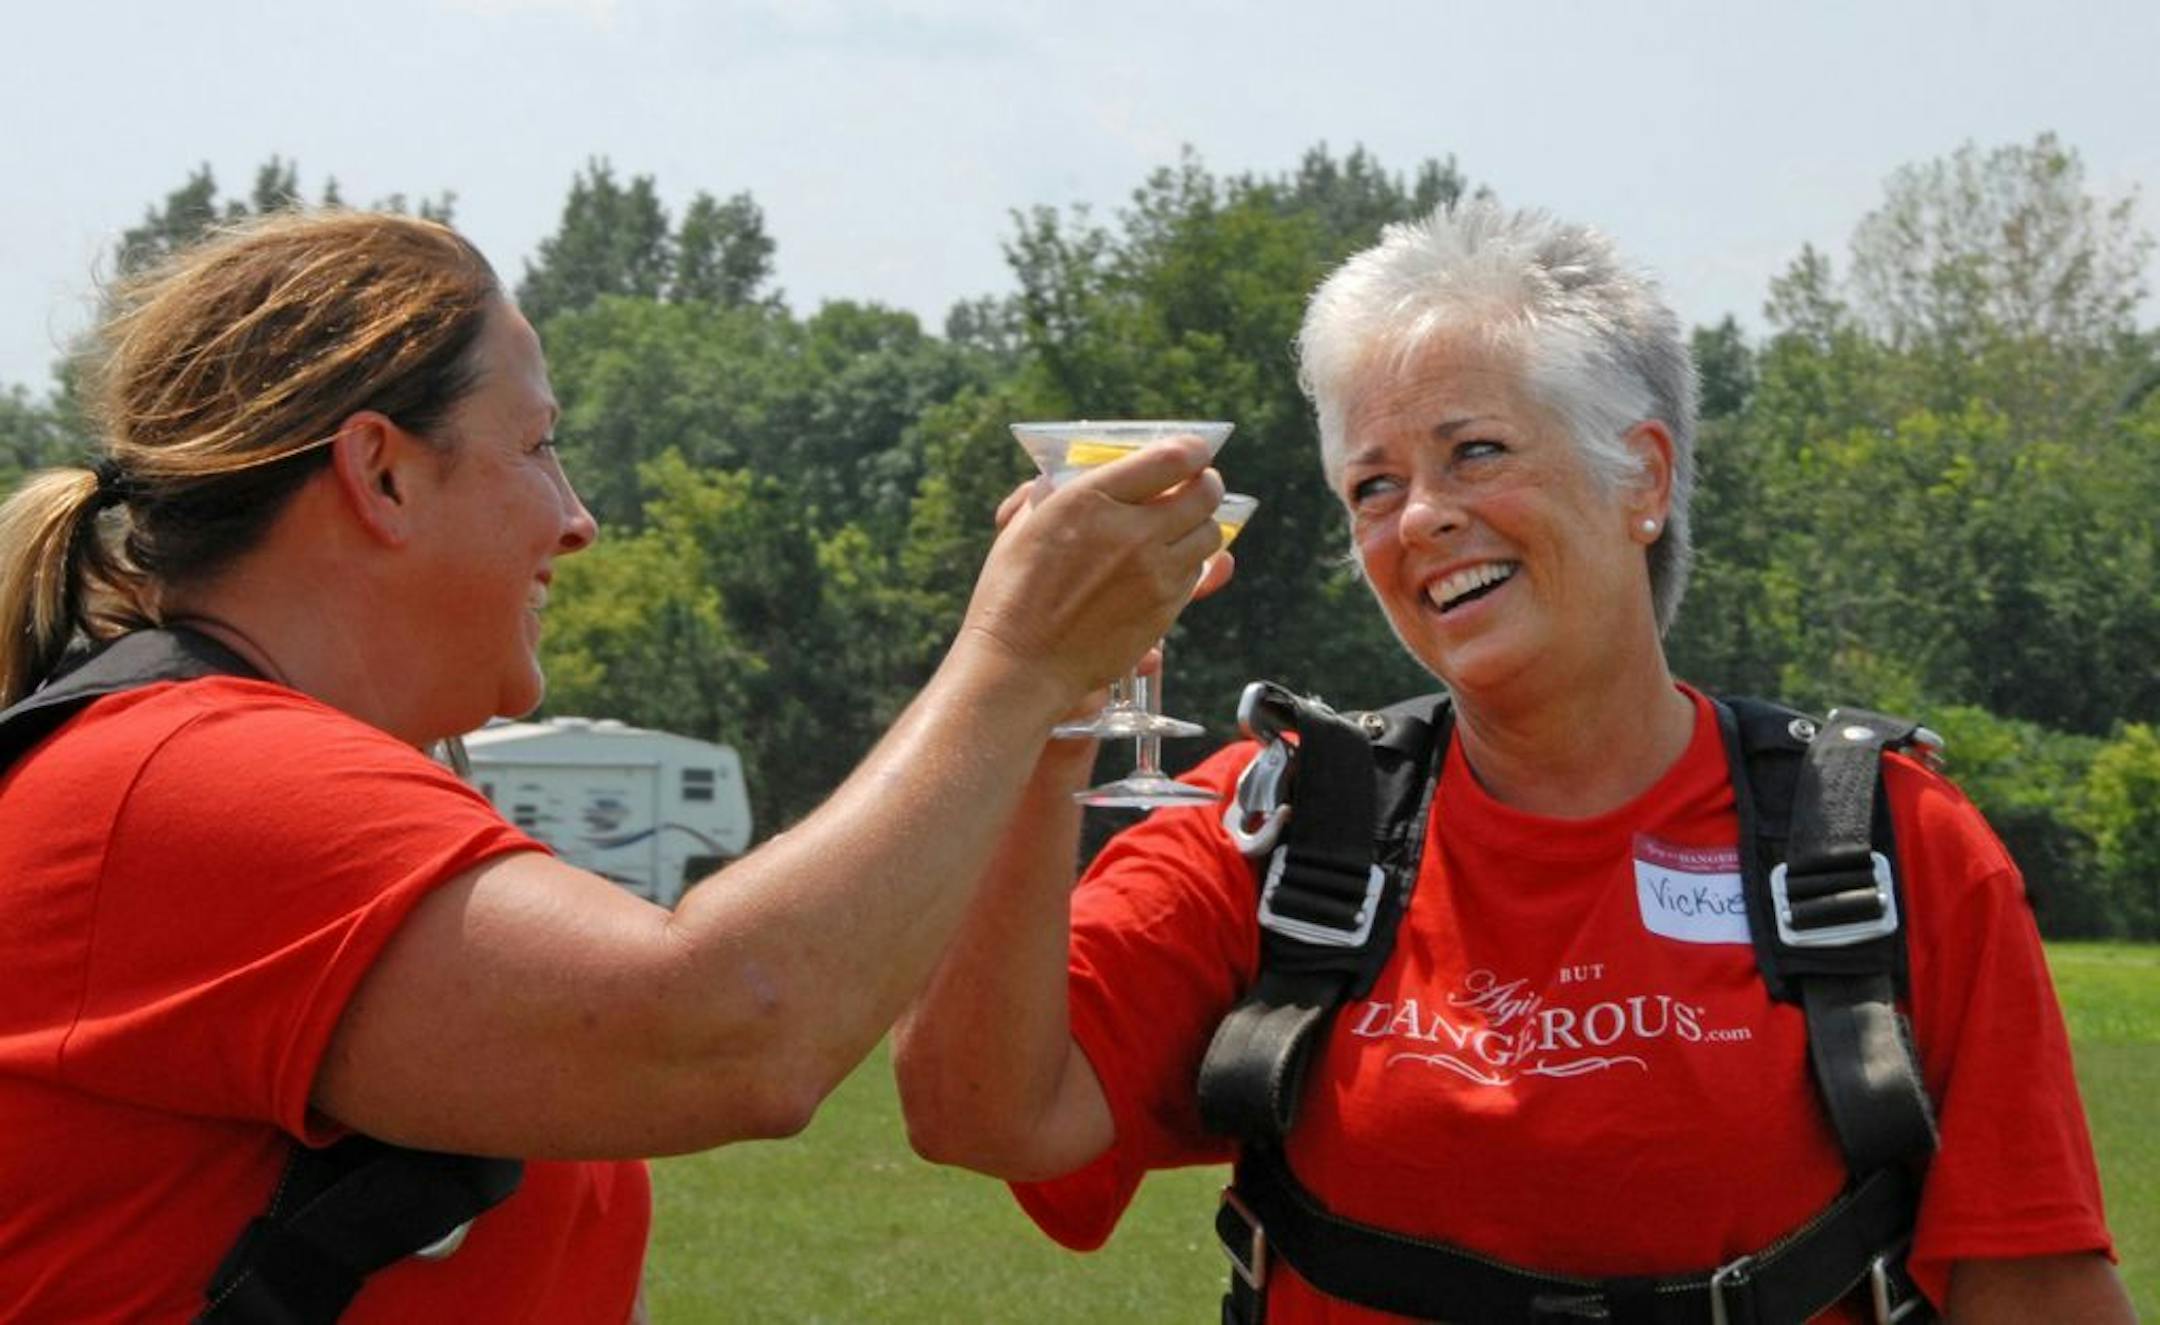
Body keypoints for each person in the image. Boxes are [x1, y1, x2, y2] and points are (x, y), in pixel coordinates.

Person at [892, 202, 2133, 1323]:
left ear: (1642, 476)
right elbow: (983, 1111)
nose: (1419, 515)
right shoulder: (1281, 820)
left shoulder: (1887, 842)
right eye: (1372, 484)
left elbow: (2031, 1285)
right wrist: (1046, 707)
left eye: (1475, 450)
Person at [0, 210, 1227, 1322]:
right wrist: (1011, 657)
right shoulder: (186, 779)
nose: (577, 517)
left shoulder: (233, 766)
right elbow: (736, 1024)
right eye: (537, 446)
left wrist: (1046, 688)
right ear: (380, 473)